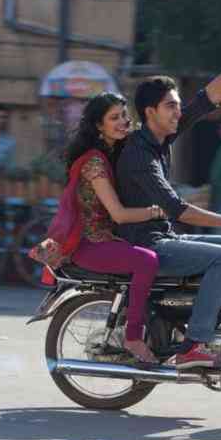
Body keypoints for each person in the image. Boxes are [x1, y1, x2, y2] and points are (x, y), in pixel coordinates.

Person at [117, 35, 221, 369]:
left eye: (177, 105)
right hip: (145, 244)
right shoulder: (138, 153)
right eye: (171, 105)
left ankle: (219, 322)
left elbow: (209, 97)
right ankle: (192, 345)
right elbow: (178, 209)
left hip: (165, 236)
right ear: (150, 112)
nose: (178, 111)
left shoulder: (163, 136)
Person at [37, 92, 165, 363]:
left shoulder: (111, 153)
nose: (123, 122)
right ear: (99, 126)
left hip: (104, 240)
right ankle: (132, 337)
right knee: (147, 261)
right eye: (114, 118)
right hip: (89, 245)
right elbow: (118, 214)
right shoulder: (95, 163)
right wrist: (156, 211)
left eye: (124, 116)